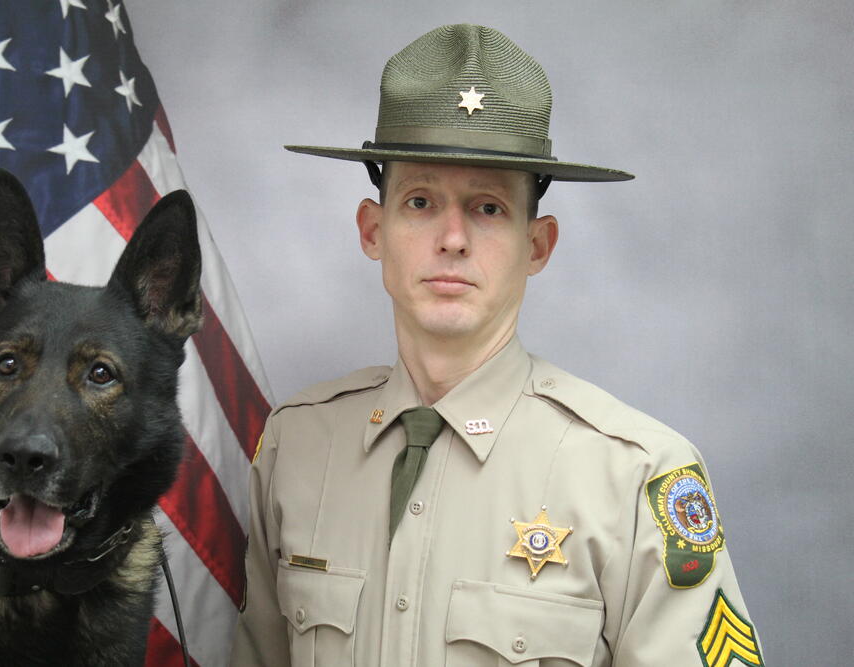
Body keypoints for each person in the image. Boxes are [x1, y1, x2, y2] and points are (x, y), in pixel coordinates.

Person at [230, 24, 761, 667]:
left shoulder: (634, 476)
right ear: (374, 230)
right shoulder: (296, 447)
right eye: (421, 201)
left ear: (537, 245)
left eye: (487, 209)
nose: (452, 238)